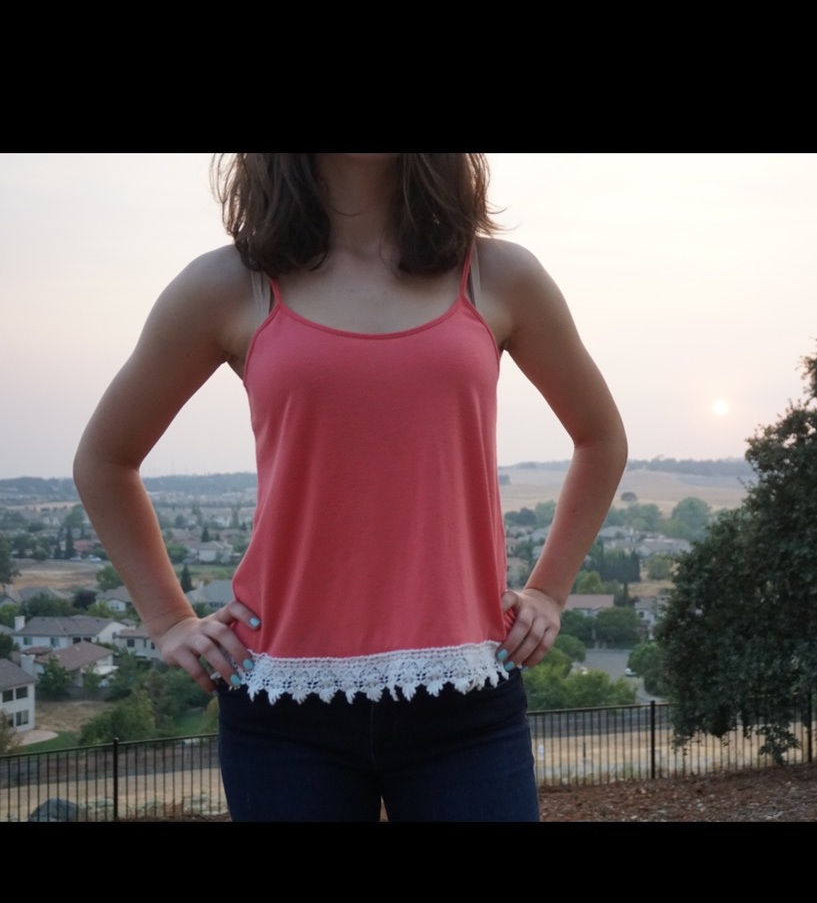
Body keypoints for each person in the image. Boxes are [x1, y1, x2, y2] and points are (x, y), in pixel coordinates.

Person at [74, 153, 627, 821]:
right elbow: (105, 460)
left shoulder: (497, 277)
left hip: (466, 700)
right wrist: (167, 622)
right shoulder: (232, 284)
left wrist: (549, 590)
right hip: (282, 708)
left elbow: (600, 438)